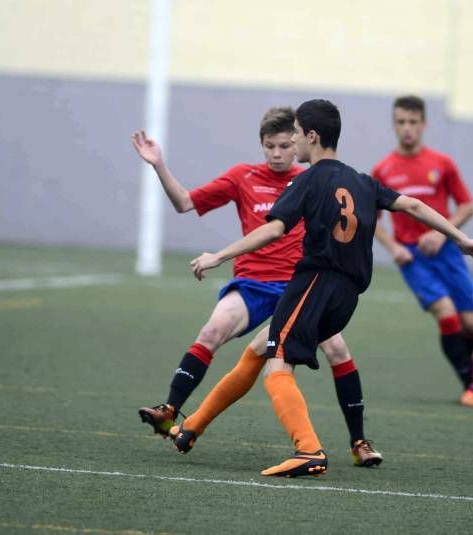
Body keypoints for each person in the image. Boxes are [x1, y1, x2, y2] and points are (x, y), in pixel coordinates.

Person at [189, 98, 473, 477]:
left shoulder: (308, 179)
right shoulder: (362, 181)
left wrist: (219, 255)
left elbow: (274, 228)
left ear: (311, 136)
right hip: (347, 297)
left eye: (295, 134)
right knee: (259, 348)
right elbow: (412, 206)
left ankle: (308, 450)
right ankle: (193, 426)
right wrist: (460, 238)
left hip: (315, 282)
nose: (292, 142)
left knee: (277, 366)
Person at [131, 107, 383, 468]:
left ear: (299, 140)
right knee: (213, 329)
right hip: (253, 283)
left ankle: (359, 442)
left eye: (285, 144)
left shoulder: (313, 178)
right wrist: (158, 165)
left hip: (299, 284)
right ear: (261, 145)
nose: (279, 153)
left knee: (338, 350)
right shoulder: (242, 176)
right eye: (271, 146)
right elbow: (185, 202)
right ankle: (169, 410)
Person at [372, 95, 473, 408]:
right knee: (446, 314)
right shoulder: (383, 170)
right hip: (413, 258)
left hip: (448, 252)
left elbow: (467, 205)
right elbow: (370, 219)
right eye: (401, 122)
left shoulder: (442, 164)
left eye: (412, 122)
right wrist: (393, 246)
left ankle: (467, 356)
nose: (407, 128)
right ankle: (471, 385)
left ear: (424, 125)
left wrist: (441, 233)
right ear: (394, 125)